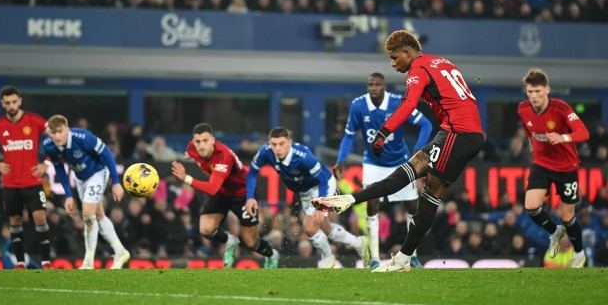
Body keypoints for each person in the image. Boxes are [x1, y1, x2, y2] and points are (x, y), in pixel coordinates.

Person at [311, 30, 484, 272]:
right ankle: (348, 200)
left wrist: (383, 132)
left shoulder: (417, 70)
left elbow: (409, 104)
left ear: (407, 52)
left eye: (394, 58)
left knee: (428, 197)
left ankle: (402, 259)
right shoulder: (441, 61)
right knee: (406, 173)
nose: (393, 63)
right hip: (457, 131)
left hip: (459, 133)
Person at [334, 72, 432, 269]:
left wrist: (417, 152)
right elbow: (348, 135)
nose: (373, 88)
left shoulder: (398, 102)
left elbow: (426, 125)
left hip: (400, 161)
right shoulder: (358, 105)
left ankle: (412, 254)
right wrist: (340, 160)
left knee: (412, 207)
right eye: (370, 84)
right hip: (373, 162)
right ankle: (375, 258)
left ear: (384, 86)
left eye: (377, 84)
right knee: (372, 205)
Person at [246, 126, 370, 268]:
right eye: (274, 144)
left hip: (322, 185)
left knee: (309, 227)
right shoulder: (265, 152)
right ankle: (358, 243)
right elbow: (251, 173)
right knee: (325, 229)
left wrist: (320, 207)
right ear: (269, 143)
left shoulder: (303, 157)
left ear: (289, 143)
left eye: (281, 144)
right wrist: (250, 197)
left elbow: (323, 180)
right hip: (305, 191)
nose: (277, 148)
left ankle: (329, 260)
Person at [171, 123, 279, 268]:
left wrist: (186, 178)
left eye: (205, 141)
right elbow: (189, 152)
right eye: (198, 141)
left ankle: (271, 255)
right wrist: (188, 154)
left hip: (243, 194)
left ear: (213, 140)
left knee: (250, 241)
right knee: (206, 229)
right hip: (222, 192)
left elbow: (211, 189)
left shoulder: (223, 157)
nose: (202, 145)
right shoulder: (193, 147)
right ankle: (230, 241)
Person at [517, 68, 589, 268]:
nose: (533, 96)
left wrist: (563, 137)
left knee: (566, 215)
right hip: (541, 164)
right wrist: (534, 148)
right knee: (531, 206)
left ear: (547, 89)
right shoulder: (522, 109)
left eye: (538, 91)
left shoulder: (561, 108)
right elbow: (530, 131)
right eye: (530, 92)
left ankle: (579, 253)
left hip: (567, 167)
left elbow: (583, 132)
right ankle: (554, 232)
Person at [0, 86, 53, 269]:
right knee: (15, 221)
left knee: (40, 217)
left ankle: (47, 261)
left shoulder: (34, 121)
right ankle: (19, 262)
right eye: (7, 102)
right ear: (2, 104)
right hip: (11, 183)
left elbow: (57, 138)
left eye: (14, 102)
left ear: (20, 101)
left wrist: (46, 164)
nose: (11, 105)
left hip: (32, 181)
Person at [43, 115, 131, 269]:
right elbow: (58, 168)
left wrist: (116, 182)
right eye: (53, 132)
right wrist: (69, 195)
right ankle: (120, 251)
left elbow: (107, 154)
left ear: (67, 130)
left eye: (60, 132)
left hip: (98, 172)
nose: (57, 136)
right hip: (80, 178)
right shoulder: (49, 145)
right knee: (98, 215)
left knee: (87, 213)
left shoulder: (84, 137)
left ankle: (88, 261)